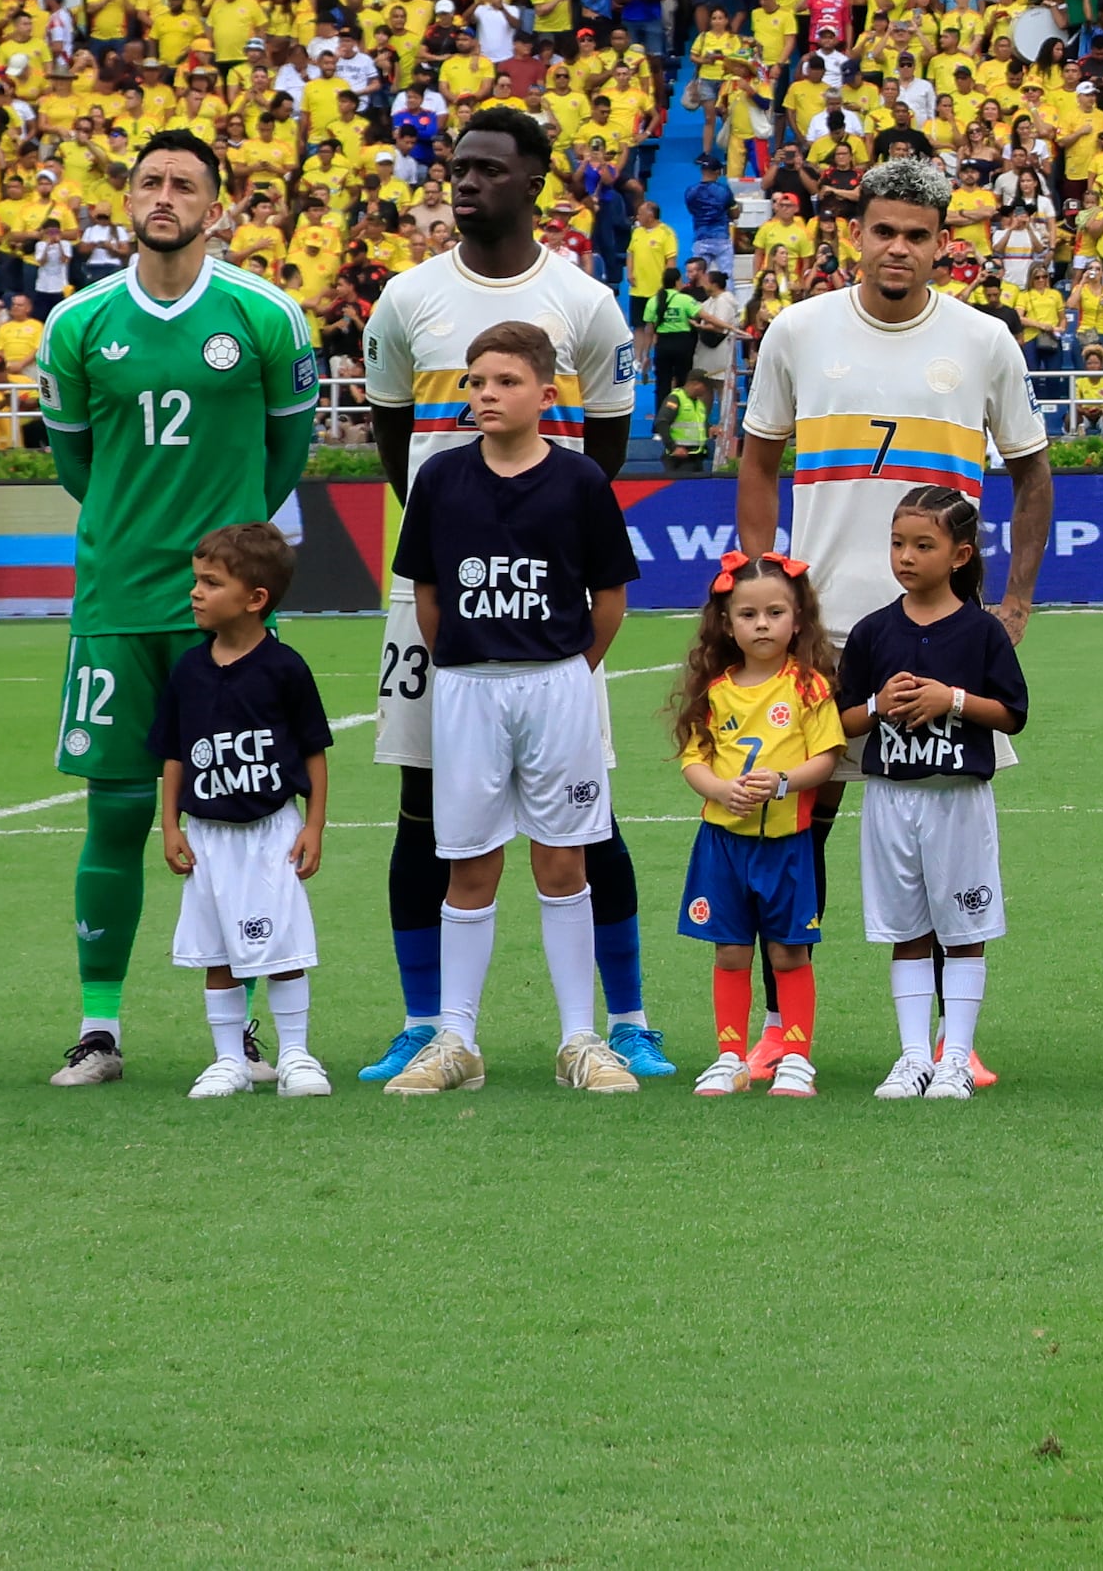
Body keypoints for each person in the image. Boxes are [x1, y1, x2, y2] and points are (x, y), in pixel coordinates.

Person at [362, 110, 662, 1083]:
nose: (467, 182)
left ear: (536, 178)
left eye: (489, 168)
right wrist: (461, 542)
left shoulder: (585, 302)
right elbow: (392, 432)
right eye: (457, 168)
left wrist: (538, 540)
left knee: (582, 823)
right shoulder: (407, 298)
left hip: (548, 627)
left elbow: (604, 449)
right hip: (445, 613)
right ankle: (430, 1024)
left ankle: (621, 1021)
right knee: (427, 809)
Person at [37, 130, 318, 1090]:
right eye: (149, 181)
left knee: (246, 818)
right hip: (116, 597)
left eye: (184, 184)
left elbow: (287, 453)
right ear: (128, 198)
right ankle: (98, 1027)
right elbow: (76, 463)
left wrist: (229, 555)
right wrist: (132, 530)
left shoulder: (267, 316)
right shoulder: (78, 322)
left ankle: (247, 1032)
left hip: (229, 604)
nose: (164, 195)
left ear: (217, 206)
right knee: (116, 810)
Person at [384, 323, 644, 1099]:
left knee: (563, 860)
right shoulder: (439, 478)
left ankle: (579, 1038)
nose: (485, 394)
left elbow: (610, 599)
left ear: (546, 394)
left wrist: (563, 670)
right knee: (467, 862)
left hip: (555, 682)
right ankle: (456, 1038)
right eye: (474, 381)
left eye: (503, 381)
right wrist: (468, 662)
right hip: (464, 686)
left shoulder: (581, 482)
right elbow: (428, 594)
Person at [730, 156, 1054, 666]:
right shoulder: (796, 330)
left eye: (917, 236)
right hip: (821, 628)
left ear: (942, 244)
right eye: (884, 231)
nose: (898, 248)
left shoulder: (985, 340)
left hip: (947, 627)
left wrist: (1017, 601)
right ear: (856, 234)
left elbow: (1033, 471)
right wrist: (761, 582)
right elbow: (758, 464)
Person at [833, 488, 1030, 1103]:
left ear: (960, 554)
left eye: (924, 545)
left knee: (963, 927)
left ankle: (955, 1058)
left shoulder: (980, 631)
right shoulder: (872, 632)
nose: (906, 556)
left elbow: (1014, 713)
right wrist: (875, 706)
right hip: (890, 798)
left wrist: (954, 700)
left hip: (958, 799)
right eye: (898, 543)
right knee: (906, 929)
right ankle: (914, 1057)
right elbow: (837, 721)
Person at [150, 519, 334, 1099]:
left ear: (255, 600)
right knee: (217, 950)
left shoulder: (286, 668)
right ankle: (230, 1059)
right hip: (208, 836)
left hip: (271, 832)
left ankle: (298, 1055)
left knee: (280, 947)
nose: (195, 592)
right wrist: (171, 825)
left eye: (210, 582)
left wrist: (313, 826)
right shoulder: (188, 670)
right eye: (196, 581)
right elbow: (175, 754)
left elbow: (314, 751)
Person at [669, 553, 846, 1097]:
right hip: (722, 844)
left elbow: (828, 756)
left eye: (775, 612)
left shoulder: (809, 687)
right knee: (729, 951)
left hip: (786, 844)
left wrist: (784, 782)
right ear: (727, 623)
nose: (762, 624)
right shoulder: (714, 690)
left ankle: (795, 1057)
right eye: (748, 614)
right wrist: (721, 789)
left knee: (788, 951)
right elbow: (694, 760)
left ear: (798, 619)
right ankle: (730, 1057)